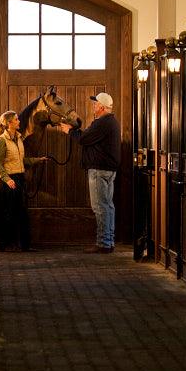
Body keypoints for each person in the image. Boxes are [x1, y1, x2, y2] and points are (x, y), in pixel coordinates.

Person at [59, 92, 120, 253]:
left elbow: (84, 139)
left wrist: (69, 131)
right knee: (108, 206)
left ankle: (103, 243)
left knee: (100, 207)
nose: (93, 106)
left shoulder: (102, 123)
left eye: (95, 104)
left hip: (99, 170)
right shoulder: (111, 122)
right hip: (107, 170)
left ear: (101, 107)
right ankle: (109, 241)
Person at [0, 110, 47, 252]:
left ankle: (24, 245)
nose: (19, 121)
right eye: (16, 119)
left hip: (19, 177)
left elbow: (21, 160)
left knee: (22, 213)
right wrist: (7, 179)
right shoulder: (2, 141)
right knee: (9, 213)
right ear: (9, 123)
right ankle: (6, 244)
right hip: (9, 180)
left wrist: (37, 160)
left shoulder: (18, 139)